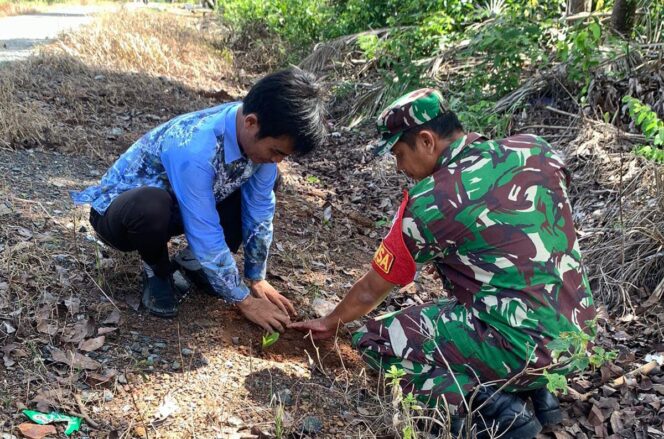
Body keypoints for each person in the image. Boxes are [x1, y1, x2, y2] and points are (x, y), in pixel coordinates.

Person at [291, 88, 597, 438]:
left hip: (521, 345)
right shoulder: (536, 149)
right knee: (487, 301)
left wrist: (330, 321)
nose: (399, 167)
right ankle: (537, 392)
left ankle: (491, 408)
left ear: (426, 141)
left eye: (399, 154)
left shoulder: (430, 201)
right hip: (578, 337)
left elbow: (370, 291)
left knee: (373, 339)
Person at [71, 68, 326, 333]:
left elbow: (259, 212)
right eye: (276, 151)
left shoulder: (256, 137)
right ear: (251, 123)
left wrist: (255, 277)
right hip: (122, 216)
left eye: (284, 154)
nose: (277, 160)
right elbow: (204, 229)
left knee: (270, 181)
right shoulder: (195, 146)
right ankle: (157, 270)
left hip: (181, 207)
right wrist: (243, 300)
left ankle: (192, 263)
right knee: (150, 204)